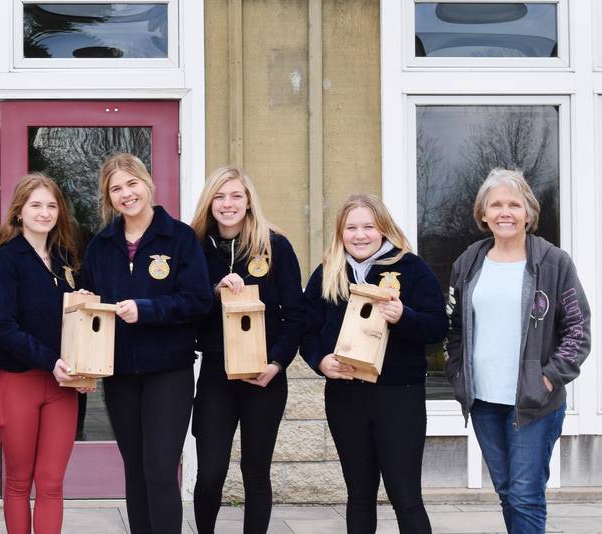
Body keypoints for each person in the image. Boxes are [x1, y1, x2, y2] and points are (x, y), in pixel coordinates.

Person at [446, 169, 591, 534]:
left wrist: (547, 378)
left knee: (526, 495)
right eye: (496, 204)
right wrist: (458, 373)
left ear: (529, 212)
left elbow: (577, 330)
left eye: (514, 204)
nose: (505, 211)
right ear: (483, 214)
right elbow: (455, 328)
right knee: (508, 492)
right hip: (484, 400)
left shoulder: (554, 262)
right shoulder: (468, 263)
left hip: (534, 401)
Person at [299, 193, 445, 534]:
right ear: (340, 232)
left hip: (399, 396)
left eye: (368, 226)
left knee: (404, 495)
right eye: (351, 227)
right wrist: (320, 360)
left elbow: (437, 327)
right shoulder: (327, 272)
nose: (360, 235)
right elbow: (306, 329)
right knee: (359, 496)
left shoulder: (411, 268)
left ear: (383, 229)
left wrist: (403, 316)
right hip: (345, 397)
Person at [80, 153, 210, 534]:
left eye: (131, 183)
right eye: (116, 188)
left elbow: (198, 300)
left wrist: (147, 309)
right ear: (109, 197)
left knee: (159, 468)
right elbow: (91, 303)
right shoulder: (101, 245)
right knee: (135, 470)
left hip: (168, 370)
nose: (126, 194)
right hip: (119, 373)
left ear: (147, 183)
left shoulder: (180, 238)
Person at [188, 166, 305, 534]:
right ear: (210, 203)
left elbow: (296, 315)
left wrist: (277, 363)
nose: (228, 204)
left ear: (249, 201)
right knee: (209, 474)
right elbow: (185, 308)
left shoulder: (275, 246)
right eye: (220, 196)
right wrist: (212, 292)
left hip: (264, 377)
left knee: (255, 472)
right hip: (216, 376)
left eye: (236, 195)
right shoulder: (194, 248)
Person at [0, 173, 91, 534]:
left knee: (51, 482)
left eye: (51, 206)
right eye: (35, 205)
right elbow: (1, 326)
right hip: (18, 383)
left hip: (63, 387)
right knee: (19, 480)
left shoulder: (67, 260)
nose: (44, 213)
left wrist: (84, 368)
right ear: (19, 212)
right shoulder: (4, 261)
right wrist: (51, 362)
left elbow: (82, 319)